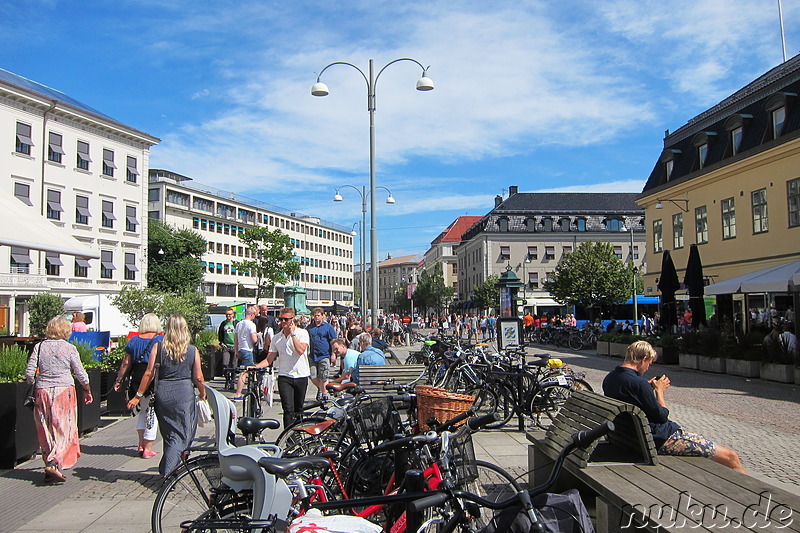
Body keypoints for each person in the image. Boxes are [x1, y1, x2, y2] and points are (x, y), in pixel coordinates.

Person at [603, 341, 745, 473]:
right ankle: (755, 496)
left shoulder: (611, 378)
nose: (648, 368)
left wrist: (647, 388)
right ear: (643, 359)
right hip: (658, 439)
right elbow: (663, 417)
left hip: (628, 439)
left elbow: (631, 394)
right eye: (649, 363)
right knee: (730, 456)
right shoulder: (639, 384)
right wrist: (659, 391)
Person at [127, 315, 206, 476]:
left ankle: (167, 466)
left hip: (163, 393)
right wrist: (203, 393)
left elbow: (149, 373)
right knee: (184, 433)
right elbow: (198, 377)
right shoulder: (192, 350)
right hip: (184, 394)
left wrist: (138, 395)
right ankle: (169, 471)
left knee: (170, 434)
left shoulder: (158, 347)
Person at [25, 316, 93, 483]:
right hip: (64, 391)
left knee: (45, 427)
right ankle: (55, 461)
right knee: (64, 428)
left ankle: (49, 464)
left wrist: (35, 382)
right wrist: (87, 389)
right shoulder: (69, 348)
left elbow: (29, 372)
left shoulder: (39, 347)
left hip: (42, 391)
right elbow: (80, 372)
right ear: (66, 330)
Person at [113, 313, 163, 458]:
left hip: (136, 377)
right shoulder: (160, 340)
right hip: (152, 377)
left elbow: (125, 363)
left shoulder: (133, 341)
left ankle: (141, 444)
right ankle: (148, 448)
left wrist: (119, 380)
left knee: (142, 412)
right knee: (151, 413)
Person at [264, 307, 311, 428]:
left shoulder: (302, 333)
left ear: (293, 320)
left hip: (301, 375)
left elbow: (300, 350)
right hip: (285, 376)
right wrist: (253, 367)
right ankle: (289, 438)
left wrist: (293, 334)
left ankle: (299, 435)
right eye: (281, 319)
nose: (283, 322)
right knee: (288, 409)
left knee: (298, 409)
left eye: (286, 319)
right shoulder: (276, 337)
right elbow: (269, 359)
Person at [307, 308, 337, 401]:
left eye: (318, 315)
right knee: (312, 376)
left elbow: (333, 341)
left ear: (322, 316)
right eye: (315, 315)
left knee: (323, 376)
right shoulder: (309, 328)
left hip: (324, 355)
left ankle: (323, 393)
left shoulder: (328, 327)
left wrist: (333, 354)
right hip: (312, 355)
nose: (316, 317)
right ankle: (322, 389)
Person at [232, 306, 259, 401]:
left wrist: (236, 350)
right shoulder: (251, 325)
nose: (254, 317)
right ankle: (238, 394)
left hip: (240, 349)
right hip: (248, 349)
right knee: (245, 372)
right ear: (251, 314)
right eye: (254, 315)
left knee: (252, 371)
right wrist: (258, 337)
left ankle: (256, 390)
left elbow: (235, 339)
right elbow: (254, 339)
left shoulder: (239, 324)